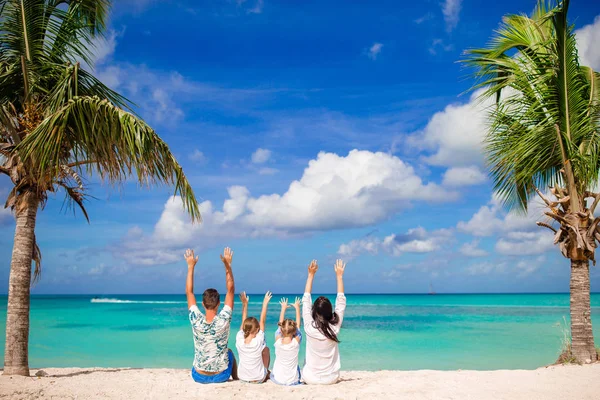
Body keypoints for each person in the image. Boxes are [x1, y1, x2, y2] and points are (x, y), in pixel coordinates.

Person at [185, 247, 238, 384]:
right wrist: (227, 265)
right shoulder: (224, 320)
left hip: (199, 375)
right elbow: (230, 290)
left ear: (202, 304)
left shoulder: (196, 319)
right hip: (221, 376)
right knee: (229, 353)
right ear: (219, 304)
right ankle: (236, 378)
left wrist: (191, 267)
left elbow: (189, 293)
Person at [302, 259, 347, 385]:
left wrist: (310, 275)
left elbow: (306, 301)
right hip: (331, 379)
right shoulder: (334, 327)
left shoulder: (309, 327)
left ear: (314, 311)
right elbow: (341, 301)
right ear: (330, 312)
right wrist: (339, 276)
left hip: (309, 378)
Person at [236, 291, 272, 383]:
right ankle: (266, 371)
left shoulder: (239, 339)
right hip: (258, 378)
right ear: (257, 329)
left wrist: (245, 304)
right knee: (266, 349)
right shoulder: (258, 340)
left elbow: (243, 322)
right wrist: (265, 304)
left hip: (242, 378)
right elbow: (262, 321)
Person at [271, 297, 303, 386]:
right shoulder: (295, 343)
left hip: (278, 379)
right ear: (294, 331)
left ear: (281, 331)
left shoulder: (278, 342)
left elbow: (279, 327)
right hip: (293, 381)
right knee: (297, 368)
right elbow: (298, 328)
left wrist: (283, 309)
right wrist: (297, 308)